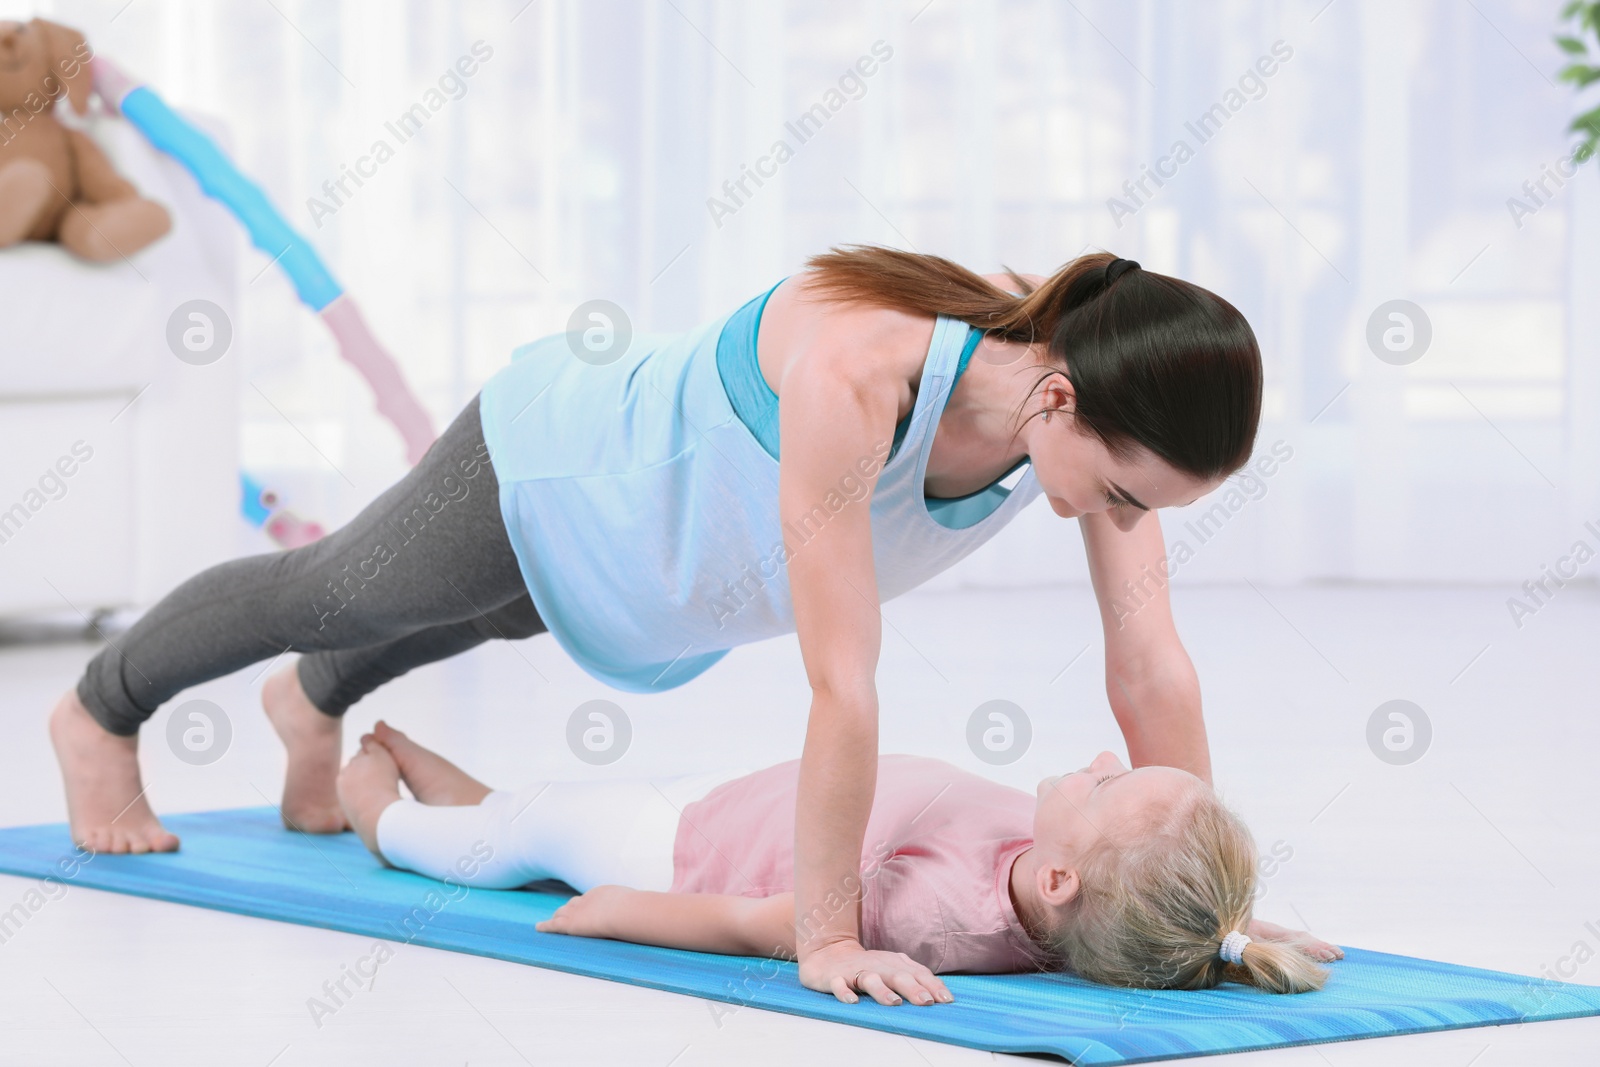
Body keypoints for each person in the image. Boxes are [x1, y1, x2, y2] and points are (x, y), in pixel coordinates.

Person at [50, 246, 1269, 1005]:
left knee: (494, 611)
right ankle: (99, 708)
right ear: (1058, 398)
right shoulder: (862, 374)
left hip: (666, 567)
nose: (1118, 520)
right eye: (1120, 494)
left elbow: (1149, 661)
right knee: (350, 587)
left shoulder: (1085, 421)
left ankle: (310, 700)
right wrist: (824, 935)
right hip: (567, 465)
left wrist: (1206, 897)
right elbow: (844, 683)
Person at [336, 721, 1338, 1003]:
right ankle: (469, 789)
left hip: (679, 847)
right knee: (534, 809)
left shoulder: (928, 920)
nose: (1100, 759)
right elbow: (1162, 892)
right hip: (743, 795)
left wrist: (615, 908)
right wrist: (1218, 923)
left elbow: (766, 922)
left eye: (1107, 786)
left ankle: (379, 812)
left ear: (1061, 881)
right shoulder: (1083, 888)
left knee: (522, 838)